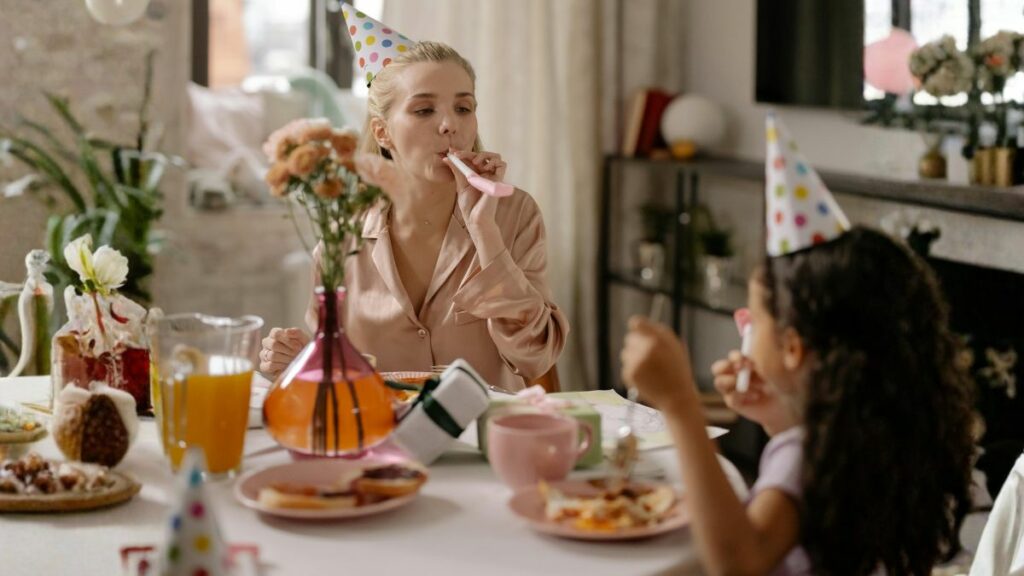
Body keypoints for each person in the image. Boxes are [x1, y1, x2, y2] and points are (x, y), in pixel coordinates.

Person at [620, 115, 976, 575]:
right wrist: (776, 413)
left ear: (792, 348)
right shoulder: (870, 432)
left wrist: (680, 403)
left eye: (755, 319)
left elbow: (738, 562)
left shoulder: (803, 452)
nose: (747, 332)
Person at [260, 11, 568, 392]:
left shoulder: (515, 214)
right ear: (383, 132)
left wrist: (486, 234)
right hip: (381, 426)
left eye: (463, 108)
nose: (449, 125)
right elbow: (332, 367)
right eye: (424, 110)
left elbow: (536, 356)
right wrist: (296, 358)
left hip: (484, 426)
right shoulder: (342, 233)